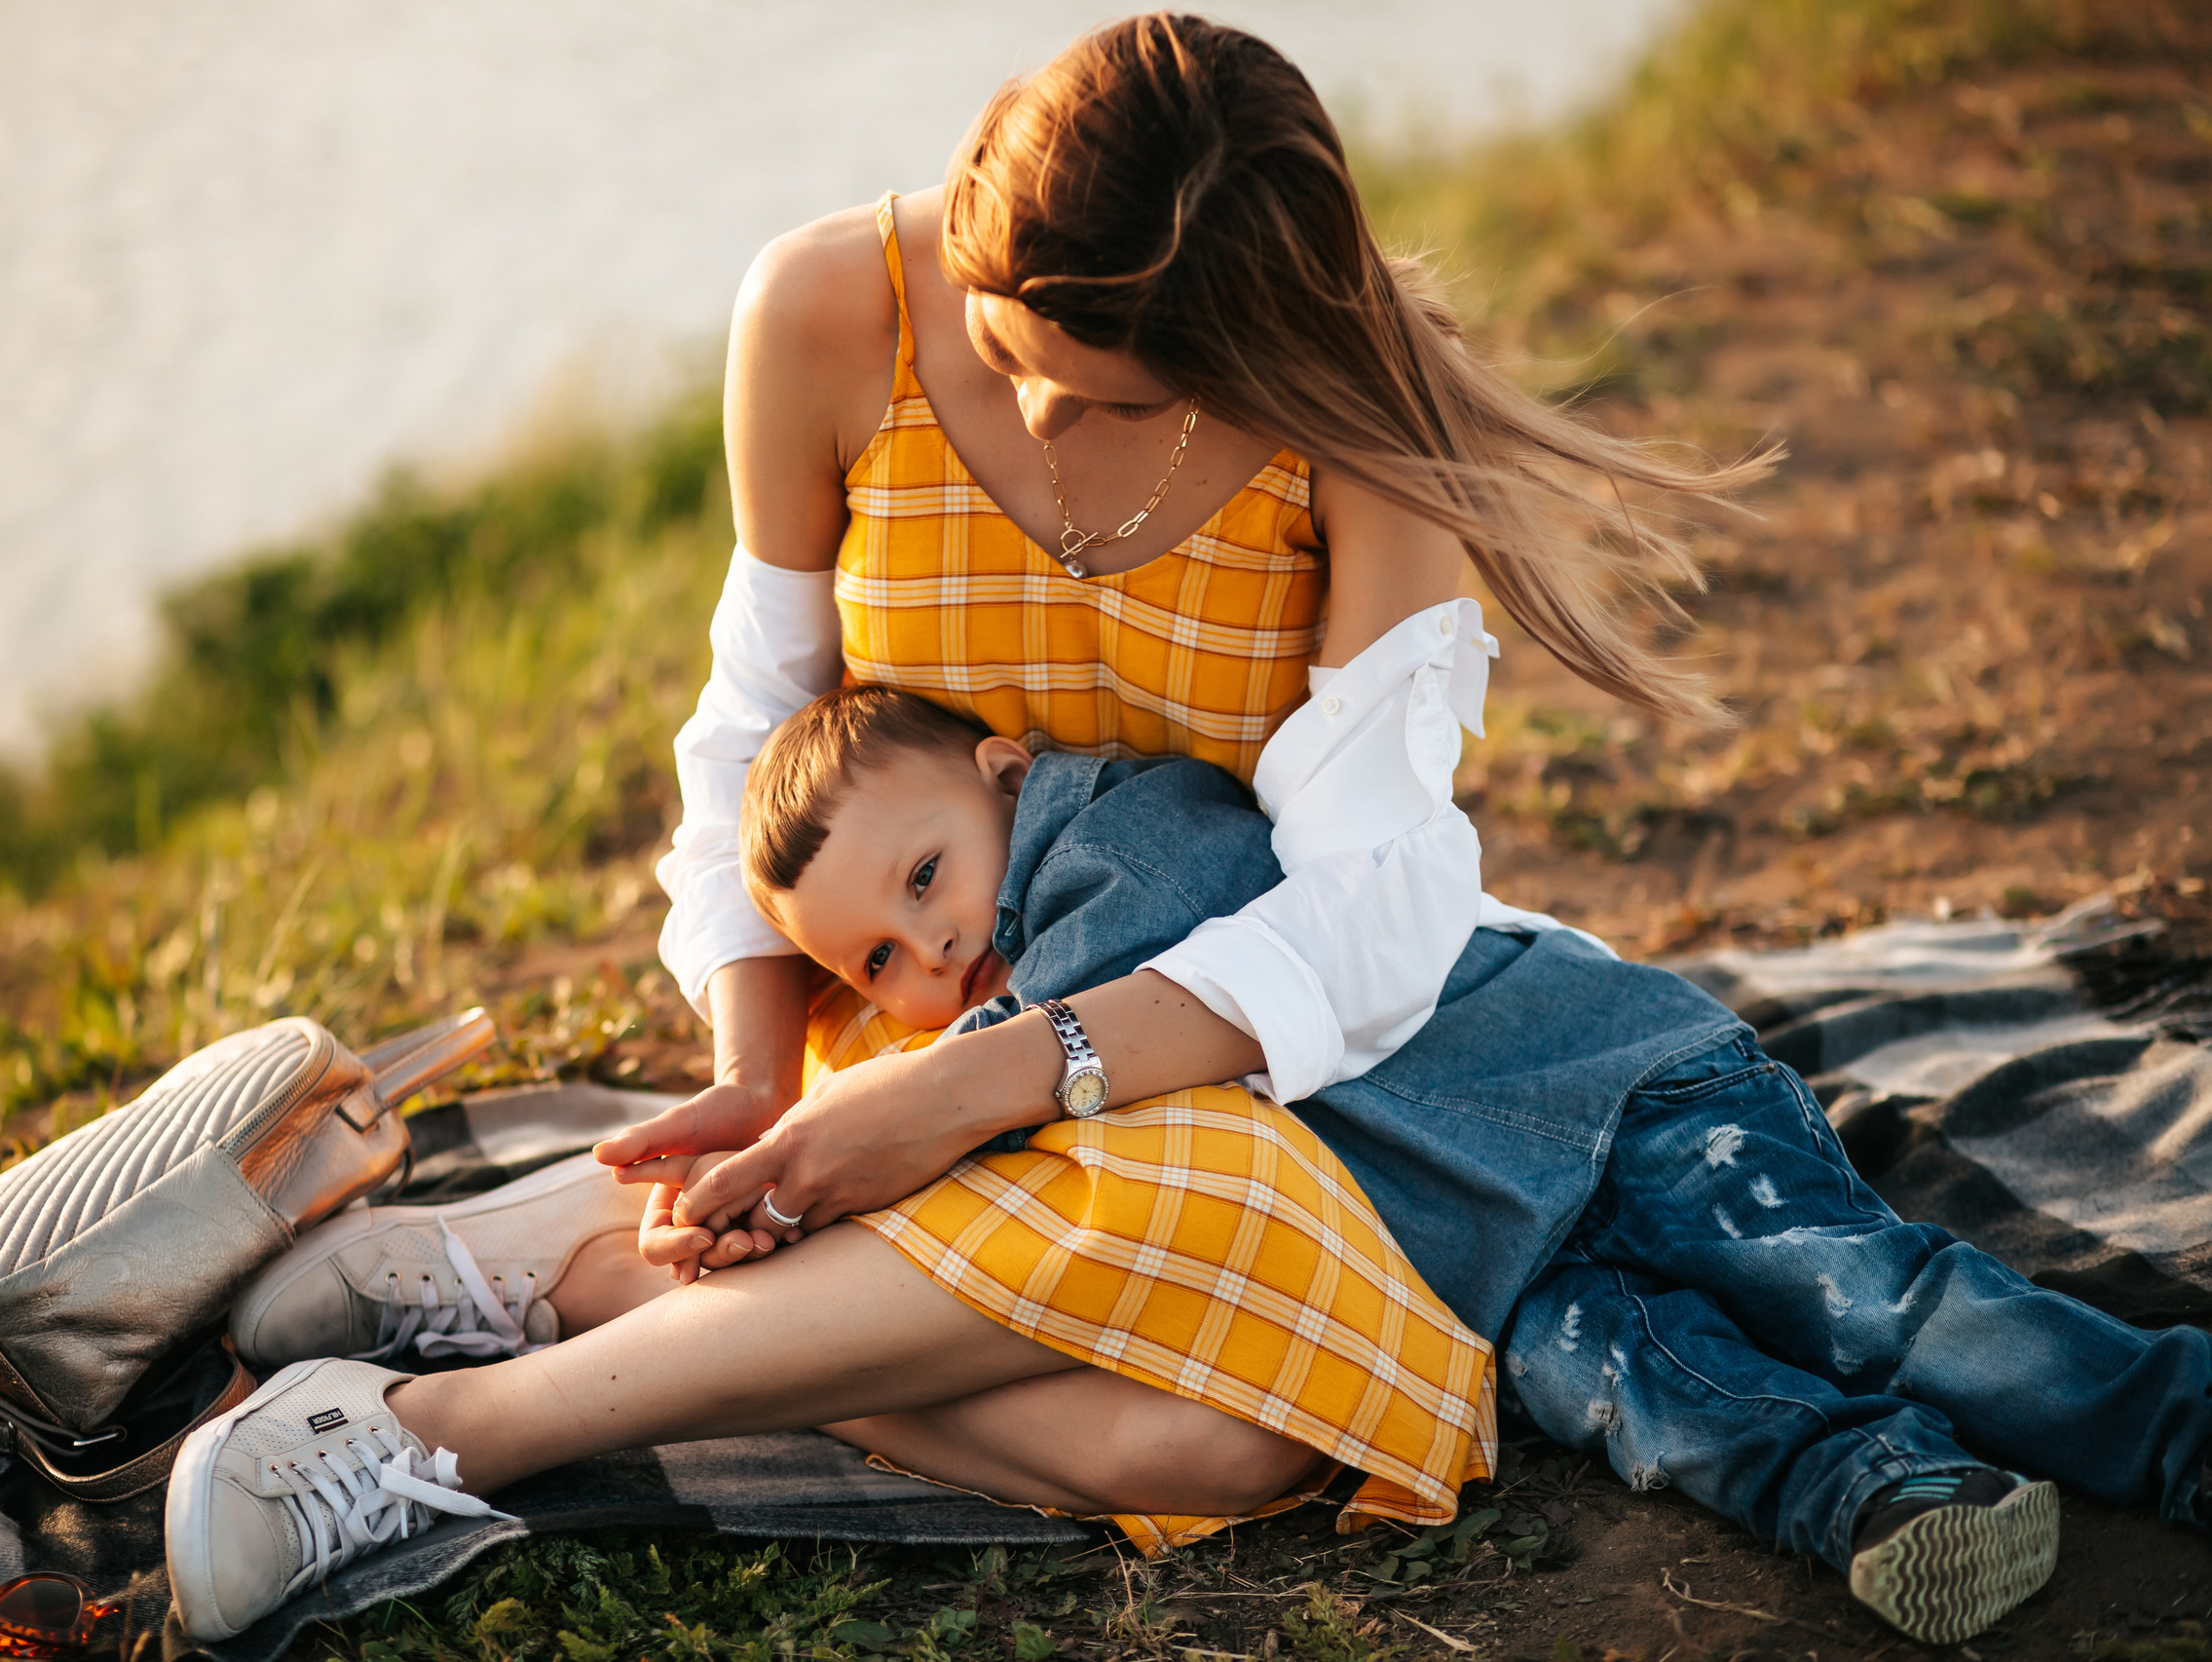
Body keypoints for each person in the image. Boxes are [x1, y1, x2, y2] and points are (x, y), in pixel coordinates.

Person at [165, 12, 1774, 1641]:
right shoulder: (821, 310)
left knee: (1236, 1438)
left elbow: (1366, 900)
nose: (1052, 431)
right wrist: (761, 1073)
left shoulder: (1352, 421)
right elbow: (754, 740)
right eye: (1015, 360)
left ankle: (577, 1273)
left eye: (1112, 395)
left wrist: (990, 1086)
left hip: (1194, 1032)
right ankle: (429, 1434)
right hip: (915, 1009)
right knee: (1193, 1335)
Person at [719, 682, 2212, 1645]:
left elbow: (1072, 1008)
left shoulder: (1122, 832)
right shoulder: (995, 1002)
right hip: (1484, 1249)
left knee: (1861, 1295)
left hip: (1618, 1092)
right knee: (1641, 1392)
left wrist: (906, 1101)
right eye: (878, 959)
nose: (931, 946)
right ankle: (1886, 1493)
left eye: (928, 878)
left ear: (1003, 773)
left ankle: (2171, 1421)